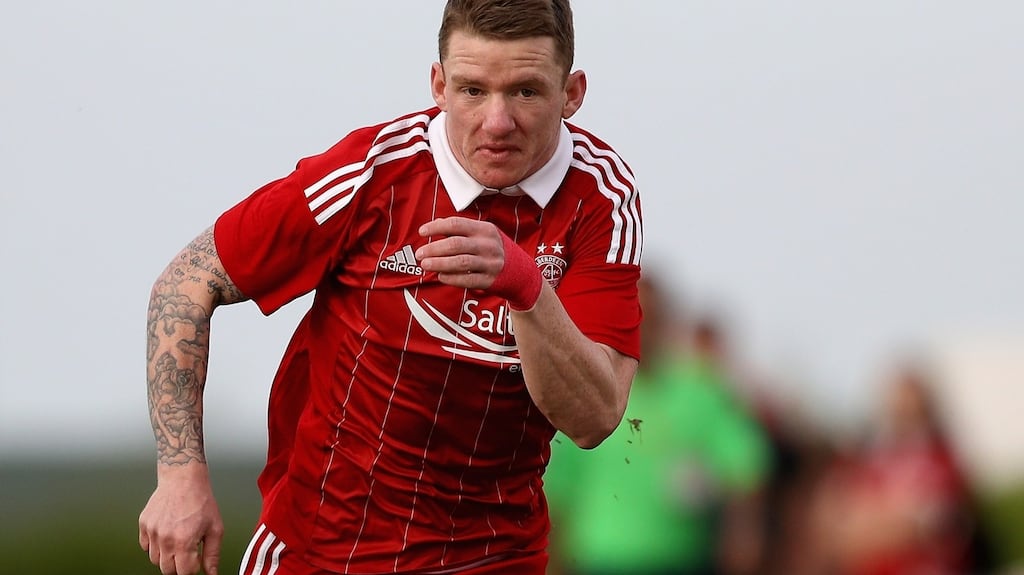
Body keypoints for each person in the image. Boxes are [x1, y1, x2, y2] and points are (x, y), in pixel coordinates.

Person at [137, 1, 643, 574]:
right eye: (473, 90)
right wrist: (180, 478)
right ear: (438, 84)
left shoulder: (602, 195)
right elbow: (185, 285)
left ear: (571, 93)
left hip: (494, 558)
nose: (497, 121)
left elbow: (596, 417)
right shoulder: (373, 172)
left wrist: (524, 284)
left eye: (526, 92)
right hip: (323, 552)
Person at [544, 279, 770, 575]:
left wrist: (741, 531)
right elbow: (558, 494)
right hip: (599, 561)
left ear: (668, 321)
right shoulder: (589, 390)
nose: (642, 327)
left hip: (680, 560)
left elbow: (746, 465)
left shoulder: (700, 386)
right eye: (632, 315)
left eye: (652, 317)